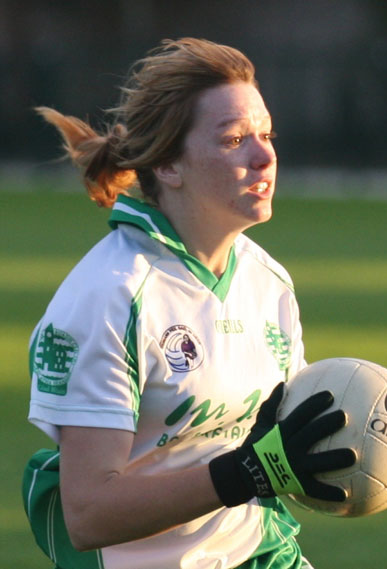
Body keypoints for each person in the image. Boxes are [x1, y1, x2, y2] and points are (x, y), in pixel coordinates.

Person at [23, 37, 366, 569]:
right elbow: (88, 515)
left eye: (266, 134)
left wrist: (378, 424)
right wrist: (245, 474)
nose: (264, 155)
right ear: (167, 167)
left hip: (257, 552)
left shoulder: (266, 280)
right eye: (233, 139)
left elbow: (281, 446)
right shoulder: (109, 296)